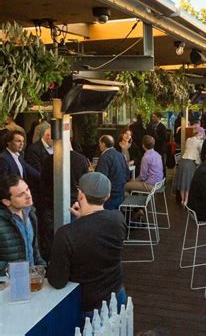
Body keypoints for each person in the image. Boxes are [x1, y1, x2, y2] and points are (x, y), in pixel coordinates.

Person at [48, 172, 127, 317]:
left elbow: (58, 281)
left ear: (80, 195)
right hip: (118, 295)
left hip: (88, 305)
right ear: (107, 196)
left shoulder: (66, 234)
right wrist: (83, 218)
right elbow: (96, 228)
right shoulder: (118, 219)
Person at [0, 175, 46, 275]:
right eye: (20, 195)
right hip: (9, 285)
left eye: (27, 189)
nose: (28, 195)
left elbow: (34, 251)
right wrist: (16, 270)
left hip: (32, 280)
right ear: (6, 201)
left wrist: (43, 269)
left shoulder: (30, 213)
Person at [0, 131, 41, 205]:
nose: (22, 144)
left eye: (23, 141)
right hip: (12, 200)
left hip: (21, 195)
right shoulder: (3, 159)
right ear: (9, 142)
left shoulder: (19, 156)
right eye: (18, 141)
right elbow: (3, 182)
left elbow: (32, 171)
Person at [95, 135, 130, 210]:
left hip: (110, 196)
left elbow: (101, 179)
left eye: (100, 143)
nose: (99, 145)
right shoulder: (120, 155)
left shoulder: (104, 157)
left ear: (103, 144)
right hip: (120, 192)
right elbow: (127, 173)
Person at [174, 128, 204, 207]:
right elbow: (201, 151)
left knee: (182, 181)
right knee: (188, 182)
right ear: (199, 134)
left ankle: (182, 200)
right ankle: (186, 201)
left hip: (182, 161)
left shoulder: (188, 139)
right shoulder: (199, 142)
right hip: (191, 162)